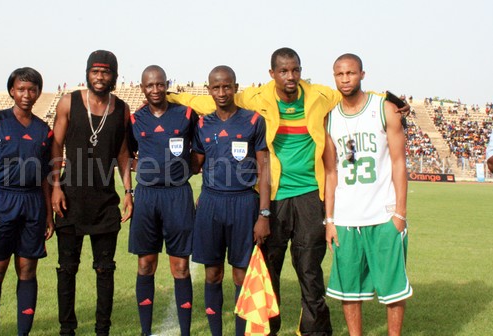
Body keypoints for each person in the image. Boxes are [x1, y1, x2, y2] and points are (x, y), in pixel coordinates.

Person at [167, 47, 409, 335]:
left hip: (310, 194)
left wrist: (394, 102)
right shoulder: (255, 98)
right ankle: (267, 328)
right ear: (272, 74)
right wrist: (169, 96)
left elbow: (353, 92)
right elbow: (206, 102)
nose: (290, 76)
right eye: (283, 71)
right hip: (274, 194)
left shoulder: (320, 96)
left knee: (309, 269)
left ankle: (314, 330)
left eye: (295, 70)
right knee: (269, 267)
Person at [323, 53, 412, 336]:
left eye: (351, 73)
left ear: (362, 75)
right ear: (334, 77)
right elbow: (331, 172)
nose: (345, 79)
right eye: (340, 74)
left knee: (393, 287)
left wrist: (400, 213)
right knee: (349, 290)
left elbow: (399, 162)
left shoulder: (384, 109)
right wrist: (330, 220)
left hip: (384, 214)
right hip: (347, 218)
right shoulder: (330, 118)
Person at [50, 50, 133, 336]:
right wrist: (56, 186)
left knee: (105, 269)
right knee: (67, 268)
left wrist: (128, 191)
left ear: (114, 76)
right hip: (70, 198)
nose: (100, 77)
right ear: (87, 73)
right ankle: (67, 329)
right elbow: (55, 145)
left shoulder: (121, 109)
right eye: (95, 71)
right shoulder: (69, 102)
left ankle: (102, 330)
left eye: (106, 72)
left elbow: (123, 153)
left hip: (105, 201)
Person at [0, 67, 54, 336]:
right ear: (12, 91)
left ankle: (23, 333)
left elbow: (45, 177)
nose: (26, 94)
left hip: (32, 203)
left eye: (32, 89)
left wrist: (49, 216)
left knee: (28, 269)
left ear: (38, 92)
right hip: (1, 200)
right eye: (21, 89)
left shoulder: (44, 130)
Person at [191, 65, 270, 336]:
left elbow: (265, 169)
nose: (222, 92)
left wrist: (264, 214)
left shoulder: (253, 121)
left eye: (227, 86)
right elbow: (194, 164)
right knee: (212, 274)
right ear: (209, 89)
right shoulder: (203, 124)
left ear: (236, 87)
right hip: (211, 204)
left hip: (244, 204)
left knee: (241, 276)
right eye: (216, 87)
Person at [128, 65, 198, 336]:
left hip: (178, 195)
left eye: (160, 84)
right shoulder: (135, 120)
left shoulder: (186, 115)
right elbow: (126, 154)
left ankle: (185, 331)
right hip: (147, 196)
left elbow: (199, 151)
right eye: (149, 85)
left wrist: (181, 171)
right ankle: (146, 331)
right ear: (142, 87)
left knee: (180, 266)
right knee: (146, 263)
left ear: (166, 84)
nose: (155, 90)